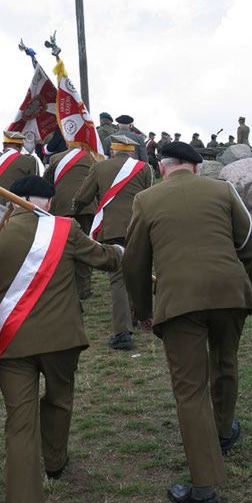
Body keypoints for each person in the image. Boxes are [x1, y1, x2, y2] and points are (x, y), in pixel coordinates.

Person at [0, 176, 122, 503]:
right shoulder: (64, 230)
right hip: (62, 341)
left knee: (19, 426)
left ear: (14, 200)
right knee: (59, 399)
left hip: (11, 348)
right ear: (47, 202)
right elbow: (102, 258)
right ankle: (55, 461)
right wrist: (123, 254)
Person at [123, 141, 252, 503]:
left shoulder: (147, 200)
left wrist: (143, 310)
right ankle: (222, 432)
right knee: (226, 362)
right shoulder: (223, 190)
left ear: (162, 167)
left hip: (179, 303)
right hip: (230, 293)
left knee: (190, 390)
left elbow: (135, 263)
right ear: (195, 166)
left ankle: (204, 489)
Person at [73, 134, 153, 350]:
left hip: (112, 229)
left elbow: (84, 197)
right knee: (139, 272)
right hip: (138, 228)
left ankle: (122, 332)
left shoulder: (99, 168)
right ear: (132, 151)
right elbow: (148, 196)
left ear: (112, 151)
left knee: (118, 278)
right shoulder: (144, 168)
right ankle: (140, 316)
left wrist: (75, 211)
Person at [44, 145, 96, 299]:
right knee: (86, 246)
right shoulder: (93, 157)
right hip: (87, 207)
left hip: (62, 207)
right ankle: (84, 289)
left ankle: (64, 287)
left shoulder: (55, 158)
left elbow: (47, 181)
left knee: (64, 248)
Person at [0, 130, 39, 206]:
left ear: (4, 145)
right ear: (21, 146)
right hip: (16, 210)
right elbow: (35, 189)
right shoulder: (30, 161)